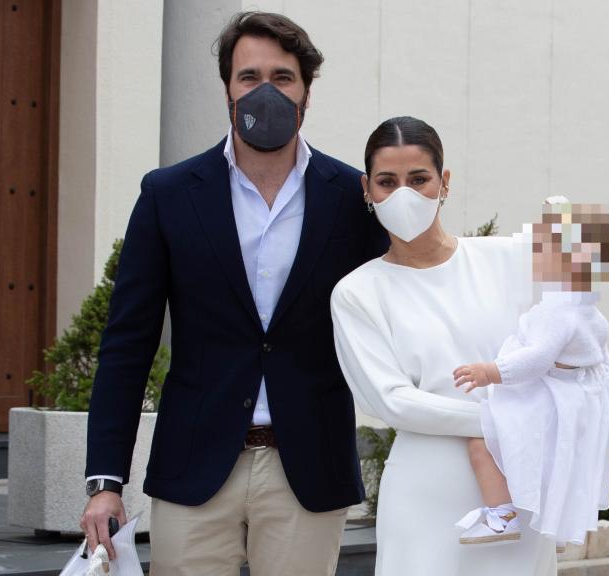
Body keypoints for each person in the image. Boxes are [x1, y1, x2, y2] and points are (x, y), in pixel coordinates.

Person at [79, 11, 388, 575]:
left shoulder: (352, 197)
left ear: (306, 93)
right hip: (194, 466)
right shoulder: (168, 195)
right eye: (249, 77)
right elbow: (127, 344)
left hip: (309, 469)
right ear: (227, 88)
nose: (265, 91)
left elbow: (405, 298)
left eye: (283, 76)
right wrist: (105, 480)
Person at [330, 116, 557, 575]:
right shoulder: (358, 292)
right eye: (387, 182)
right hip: (425, 490)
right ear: (366, 189)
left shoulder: (509, 260)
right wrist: (505, 418)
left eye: (419, 179)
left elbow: (569, 340)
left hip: (518, 486)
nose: (404, 195)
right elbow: (394, 402)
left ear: (444, 181)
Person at [452, 200, 609, 550]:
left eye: (543, 249)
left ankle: (501, 514)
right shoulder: (592, 312)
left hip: (539, 397)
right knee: (548, 465)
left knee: (481, 439)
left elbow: (538, 358)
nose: (534, 255)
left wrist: (491, 372)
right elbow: (597, 364)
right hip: (569, 402)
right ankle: (551, 520)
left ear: (566, 262)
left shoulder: (558, 310)